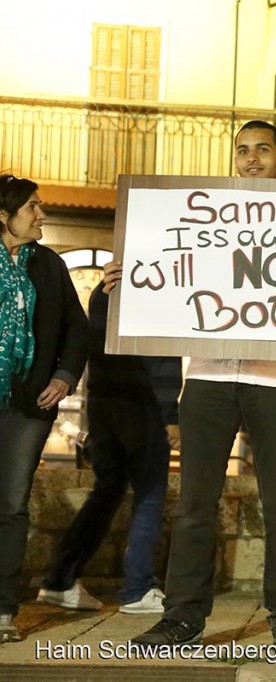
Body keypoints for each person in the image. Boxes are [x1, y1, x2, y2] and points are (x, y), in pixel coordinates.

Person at [120, 120, 276, 655]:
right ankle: (182, 618)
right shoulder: (201, 216)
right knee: (193, 505)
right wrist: (131, 281)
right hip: (206, 375)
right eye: (243, 150)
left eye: (263, 150)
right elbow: (168, 275)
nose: (251, 159)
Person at [36, 284, 182, 616]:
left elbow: (94, 348)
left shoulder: (105, 290)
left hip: (102, 402)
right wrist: (170, 416)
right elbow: (161, 355)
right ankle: (137, 588)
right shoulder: (160, 287)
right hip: (142, 405)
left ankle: (60, 579)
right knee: (150, 493)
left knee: (106, 492)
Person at [0, 175, 89, 643]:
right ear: (4, 216)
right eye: (32, 207)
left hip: (28, 402)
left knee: (12, 505)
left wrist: (63, 376)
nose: (41, 214)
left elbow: (78, 328)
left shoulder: (49, 265)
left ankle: (2, 611)